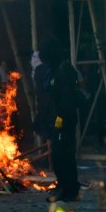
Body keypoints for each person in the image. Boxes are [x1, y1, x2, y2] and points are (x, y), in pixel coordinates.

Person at [36, 42, 81, 203]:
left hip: (65, 119)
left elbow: (67, 97)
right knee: (57, 153)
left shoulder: (65, 69)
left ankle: (70, 189)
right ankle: (63, 185)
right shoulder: (54, 70)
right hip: (57, 119)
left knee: (64, 154)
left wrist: (61, 117)